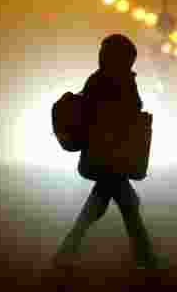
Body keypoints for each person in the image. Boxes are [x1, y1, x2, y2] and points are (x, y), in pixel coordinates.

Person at [53, 34, 161, 271]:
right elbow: (128, 108)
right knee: (126, 205)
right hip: (109, 153)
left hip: (106, 153)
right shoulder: (112, 80)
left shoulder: (100, 80)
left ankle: (68, 250)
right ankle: (145, 257)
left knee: (113, 203)